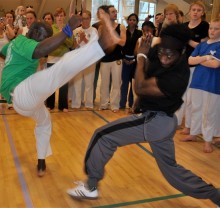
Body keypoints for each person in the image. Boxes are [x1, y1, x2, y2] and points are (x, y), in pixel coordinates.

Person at [66, 24, 220, 207]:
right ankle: (216, 196)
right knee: (171, 170)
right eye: (161, 50)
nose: (163, 56)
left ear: (181, 51)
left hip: (155, 121)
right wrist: (142, 52)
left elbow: (139, 86)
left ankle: (90, 187)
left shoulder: (179, 75)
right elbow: (147, 65)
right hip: (162, 122)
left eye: (169, 54)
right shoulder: (160, 51)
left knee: (103, 136)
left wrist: (141, 57)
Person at [0, 11, 120, 177]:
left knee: (45, 121)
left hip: (23, 103)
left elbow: (2, 53)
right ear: (33, 33)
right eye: (43, 37)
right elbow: (41, 49)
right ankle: (99, 45)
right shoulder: (22, 39)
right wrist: (68, 28)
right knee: (60, 68)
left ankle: (41, 161)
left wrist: (14, 65)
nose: (44, 42)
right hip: (22, 91)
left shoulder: (13, 44)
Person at [181, 18, 220, 153]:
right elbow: (190, 60)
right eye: (211, 28)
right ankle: (193, 133)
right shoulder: (202, 45)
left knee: (209, 112)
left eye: (216, 29)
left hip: (212, 84)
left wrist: (199, 59)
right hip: (197, 81)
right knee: (195, 108)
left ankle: (208, 140)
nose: (212, 31)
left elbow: (215, 64)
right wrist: (206, 58)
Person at [177, 0, 209, 133]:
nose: (195, 12)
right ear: (189, 11)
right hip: (181, 64)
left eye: (198, 10)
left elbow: (202, 46)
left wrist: (188, 40)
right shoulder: (184, 25)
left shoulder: (204, 26)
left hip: (195, 65)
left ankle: (189, 125)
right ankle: (177, 121)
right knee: (180, 95)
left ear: (203, 12)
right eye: (193, 10)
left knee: (191, 98)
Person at [98, 5, 126, 112]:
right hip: (105, 59)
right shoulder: (101, 28)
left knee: (116, 83)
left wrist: (113, 38)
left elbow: (123, 43)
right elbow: (100, 44)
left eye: (116, 11)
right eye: (113, 12)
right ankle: (103, 104)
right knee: (104, 83)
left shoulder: (121, 26)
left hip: (117, 59)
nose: (115, 13)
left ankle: (115, 105)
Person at [45, 7, 73, 112]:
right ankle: (50, 104)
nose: (60, 18)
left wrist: (64, 35)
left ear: (64, 16)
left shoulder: (68, 28)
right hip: (52, 58)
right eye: (58, 16)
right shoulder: (51, 28)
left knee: (63, 83)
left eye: (61, 15)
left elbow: (70, 44)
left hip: (64, 58)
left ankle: (63, 106)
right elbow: (49, 43)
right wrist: (60, 35)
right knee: (51, 83)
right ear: (55, 17)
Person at [71, 10, 98, 109]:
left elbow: (94, 47)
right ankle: (76, 103)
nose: (85, 21)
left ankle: (89, 104)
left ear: (90, 19)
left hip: (89, 60)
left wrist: (85, 39)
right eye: (83, 19)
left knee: (89, 83)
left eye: (86, 18)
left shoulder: (94, 31)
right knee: (77, 83)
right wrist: (80, 40)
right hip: (78, 59)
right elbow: (73, 46)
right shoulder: (76, 31)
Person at [120, 13, 142, 111]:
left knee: (133, 83)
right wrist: (123, 58)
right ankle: (122, 104)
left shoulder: (139, 33)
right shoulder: (123, 32)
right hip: (124, 60)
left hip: (135, 61)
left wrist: (134, 59)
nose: (132, 21)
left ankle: (132, 103)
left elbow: (140, 48)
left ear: (137, 22)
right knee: (124, 83)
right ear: (127, 21)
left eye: (134, 20)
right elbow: (120, 46)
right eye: (130, 19)